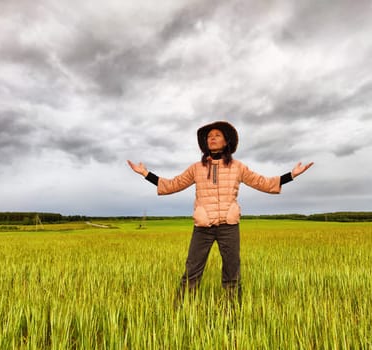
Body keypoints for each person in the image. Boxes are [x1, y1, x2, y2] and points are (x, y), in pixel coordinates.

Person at [127, 121, 313, 305]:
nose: (212, 138)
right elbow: (172, 184)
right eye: (209, 136)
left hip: (229, 226)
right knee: (192, 270)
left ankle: (232, 313)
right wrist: (145, 174)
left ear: (226, 141)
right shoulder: (196, 168)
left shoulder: (237, 167)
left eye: (217, 135)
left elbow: (262, 182)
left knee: (232, 271)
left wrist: (291, 175)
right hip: (203, 227)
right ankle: (181, 310)